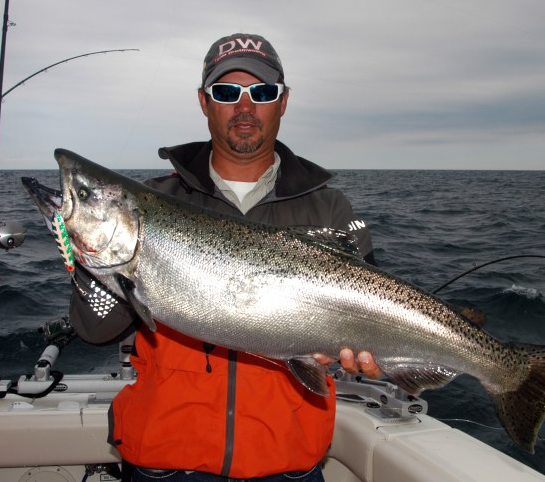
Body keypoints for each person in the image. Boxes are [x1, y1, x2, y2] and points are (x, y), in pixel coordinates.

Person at [68, 33, 381, 482]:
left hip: (288, 461)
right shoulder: (155, 201)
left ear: (283, 102)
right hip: (165, 463)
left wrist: (359, 351)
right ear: (204, 102)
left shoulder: (328, 208)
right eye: (227, 92)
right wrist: (89, 255)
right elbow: (94, 328)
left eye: (263, 92)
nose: (245, 107)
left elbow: (369, 317)